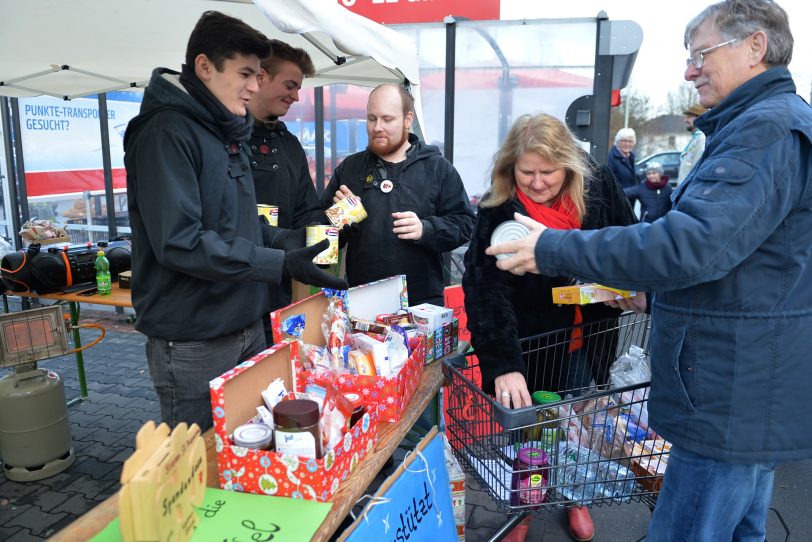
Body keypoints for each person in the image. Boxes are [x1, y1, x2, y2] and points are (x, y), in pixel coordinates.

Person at [486, 1, 812, 540]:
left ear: (756, 46)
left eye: (701, 54)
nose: (690, 70)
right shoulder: (760, 128)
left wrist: (554, 249)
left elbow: (689, 245)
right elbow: (743, 268)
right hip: (741, 388)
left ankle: (568, 499)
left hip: (727, 395)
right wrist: (652, 300)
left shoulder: (765, 134)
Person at [124, 11, 347, 431]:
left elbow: (241, 223)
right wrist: (276, 264)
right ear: (205, 66)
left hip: (248, 322)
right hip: (194, 337)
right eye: (246, 73)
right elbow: (181, 242)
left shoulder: (226, 130)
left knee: (250, 451)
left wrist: (287, 241)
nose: (254, 85)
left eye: (259, 74)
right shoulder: (165, 134)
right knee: (198, 464)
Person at [463, 113, 638, 542]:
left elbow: (631, 243)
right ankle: (523, 504)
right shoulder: (499, 205)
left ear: (569, 166)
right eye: (527, 173)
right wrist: (504, 363)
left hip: (589, 334)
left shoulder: (597, 189)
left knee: (578, 422)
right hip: (531, 342)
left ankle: (574, 496)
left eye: (548, 172)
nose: (538, 183)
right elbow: (484, 288)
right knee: (530, 431)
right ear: (510, 168)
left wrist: (629, 286)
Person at [321, 83, 476, 306]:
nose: (377, 127)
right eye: (372, 118)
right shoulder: (351, 169)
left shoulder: (437, 169)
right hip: (363, 300)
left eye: (387, 119)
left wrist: (426, 229)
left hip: (421, 303)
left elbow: (465, 224)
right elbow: (323, 240)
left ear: (407, 119)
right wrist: (339, 218)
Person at [247, 39, 325, 344]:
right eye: (290, 85)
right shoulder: (224, 140)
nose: (296, 96)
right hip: (227, 302)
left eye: (299, 88)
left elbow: (309, 210)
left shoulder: (290, 145)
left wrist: (330, 238)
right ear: (261, 77)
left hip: (278, 299)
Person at [677, 103, 708, 184]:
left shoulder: (702, 139)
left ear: (700, 118)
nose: (686, 120)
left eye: (690, 117)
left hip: (690, 191)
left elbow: (697, 170)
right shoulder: (696, 139)